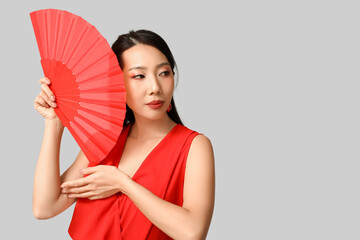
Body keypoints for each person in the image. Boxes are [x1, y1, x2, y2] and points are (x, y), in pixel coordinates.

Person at [33, 29, 215, 240]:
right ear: (118, 84)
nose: (155, 88)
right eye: (139, 76)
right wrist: (54, 124)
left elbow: (193, 232)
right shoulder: (105, 141)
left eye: (164, 73)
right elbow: (44, 207)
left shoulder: (194, 146)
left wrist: (123, 183)